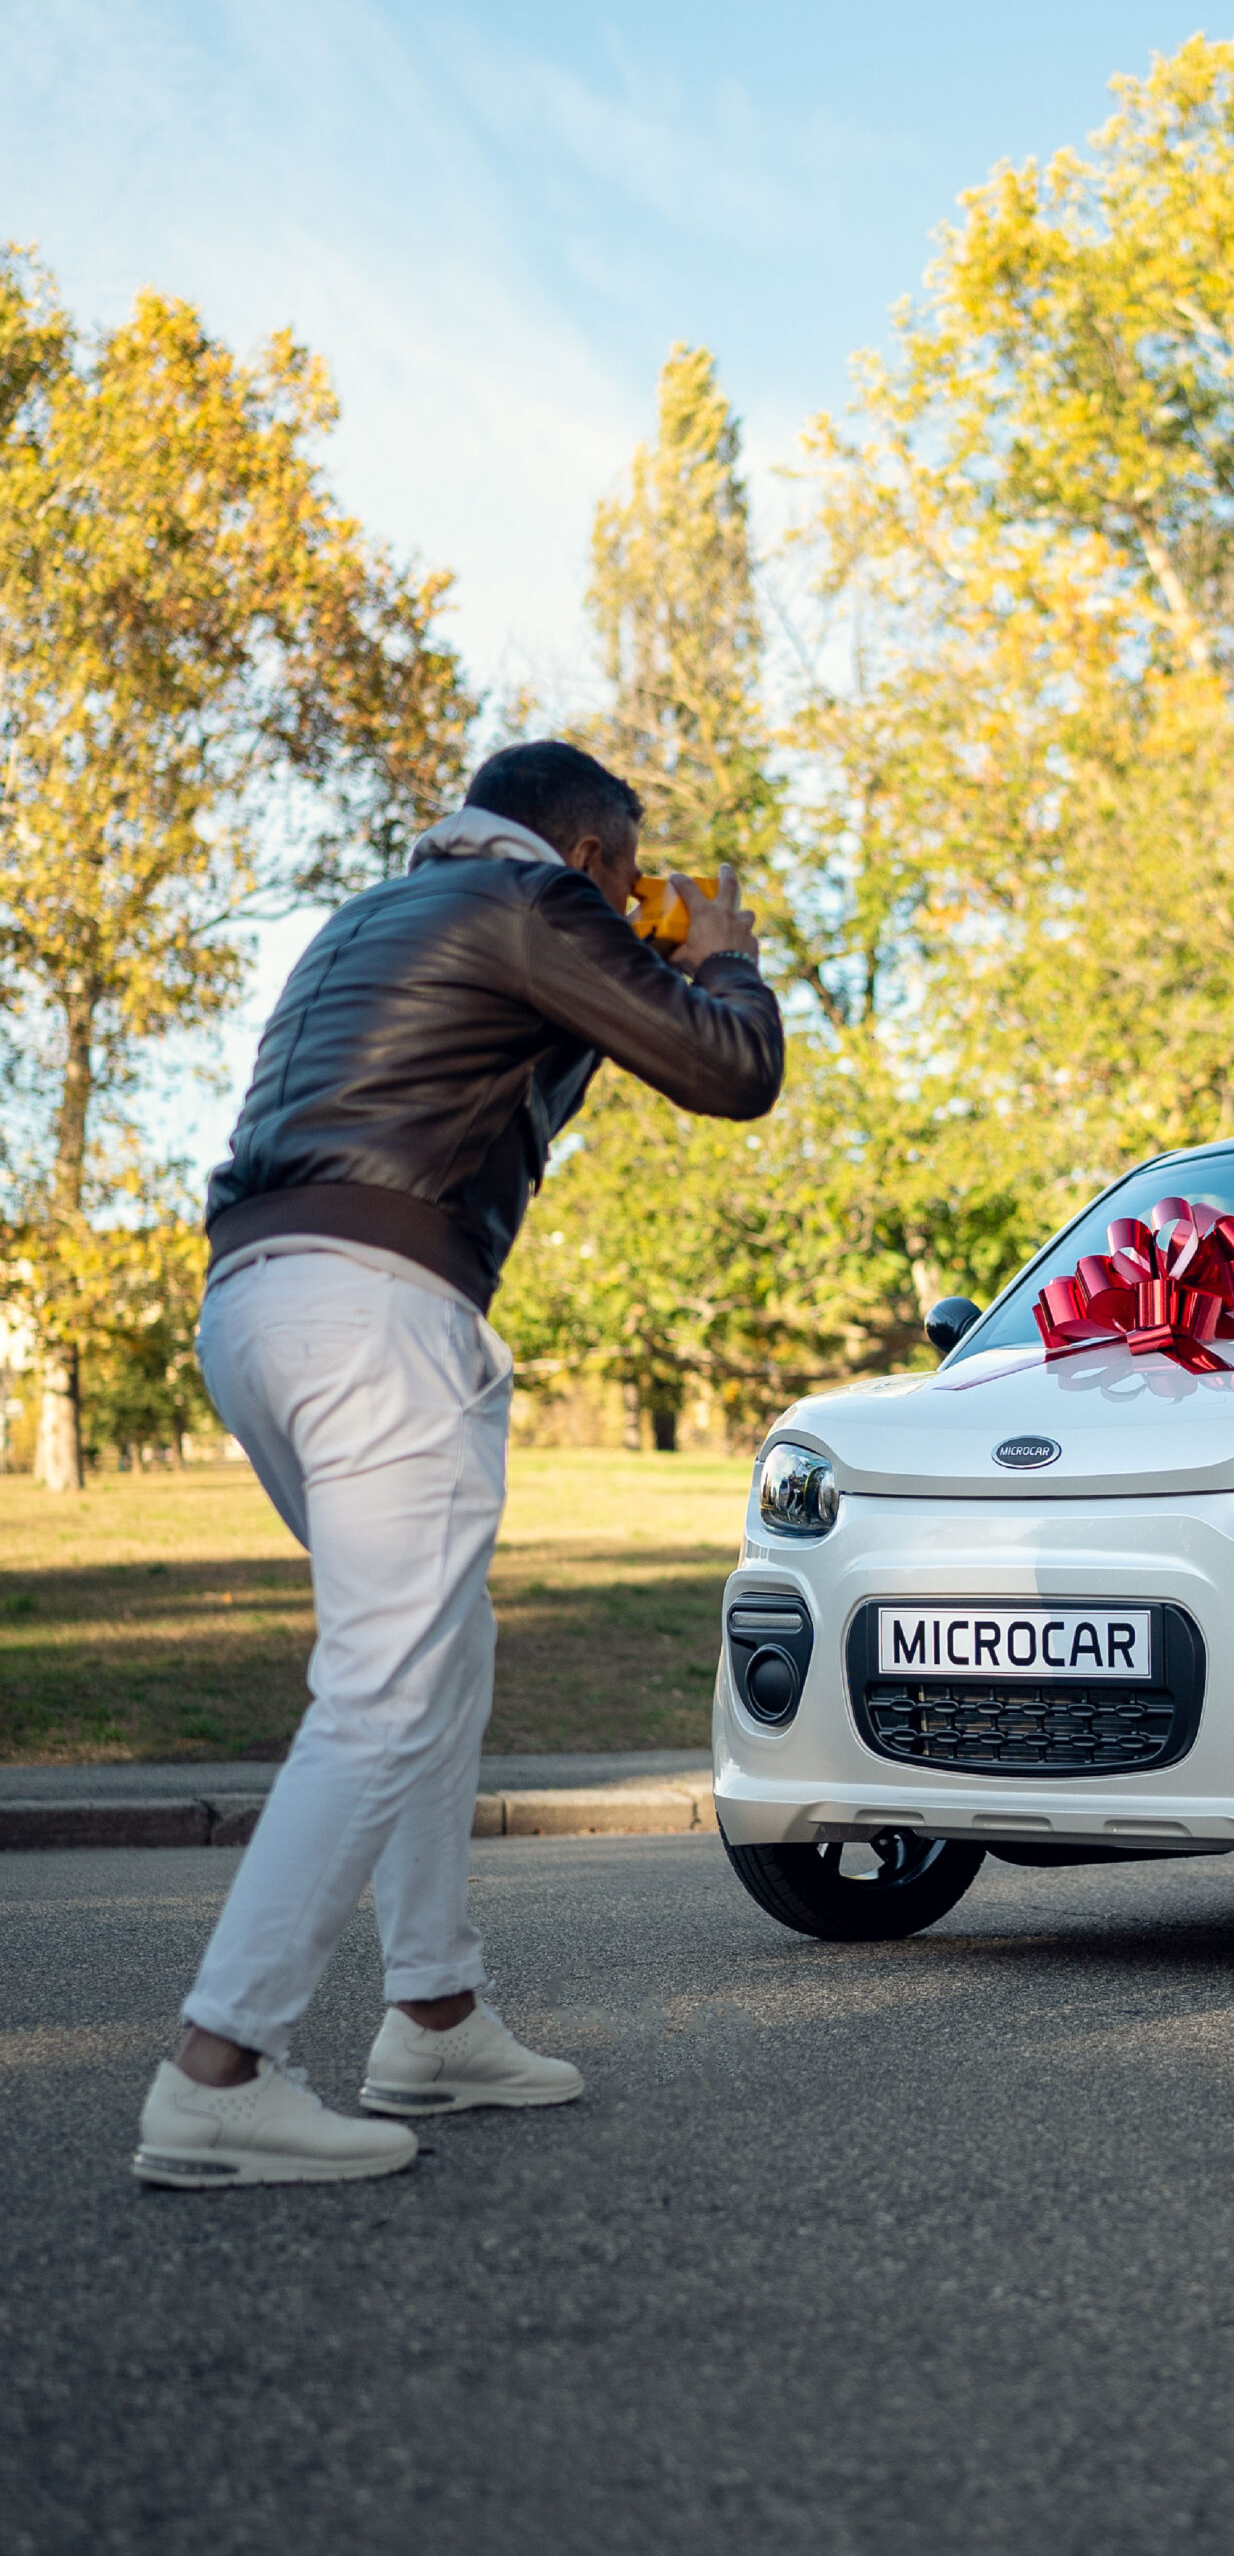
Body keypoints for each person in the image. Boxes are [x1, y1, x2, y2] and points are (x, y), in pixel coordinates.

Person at [133, 740, 786, 2189]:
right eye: (627, 871)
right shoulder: (530, 900)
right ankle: (218, 2074)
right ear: (590, 853)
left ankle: (432, 2016)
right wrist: (725, 954)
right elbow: (731, 1070)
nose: (631, 898)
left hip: (258, 1307)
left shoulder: (371, 919)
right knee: (381, 1688)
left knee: (438, 1652)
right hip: (376, 1313)